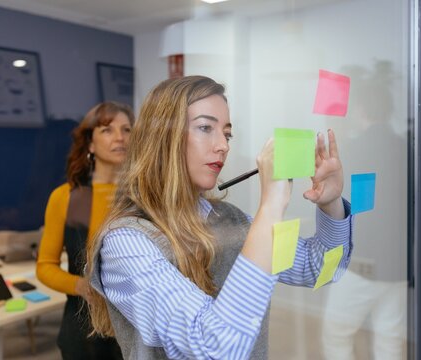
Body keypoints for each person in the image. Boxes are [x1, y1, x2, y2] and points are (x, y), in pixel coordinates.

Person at [85, 75, 354, 359]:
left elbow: (320, 267)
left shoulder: (233, 220)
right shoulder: (125, 243)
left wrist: (331, 203)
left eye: (227, 134)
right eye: (205, 127)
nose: (223, 146)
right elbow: (216, 349)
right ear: (162, 137)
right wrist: (271, 207)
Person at [321, 61, 407, 360]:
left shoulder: (360, 148)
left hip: (364, 262)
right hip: (399, 262)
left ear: (361, 110)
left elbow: (358, 208)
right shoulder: (404, 147)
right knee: (390, 337)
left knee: (336, 333)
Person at [36, 101, 134, 360]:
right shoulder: (65, 198)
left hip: (138, 334)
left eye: (127, 130)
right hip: (83, 335)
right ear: (90, 144)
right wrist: (81, 286)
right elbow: (45, 266)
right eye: (107, 130)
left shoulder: (145, 197)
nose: (120, 137)